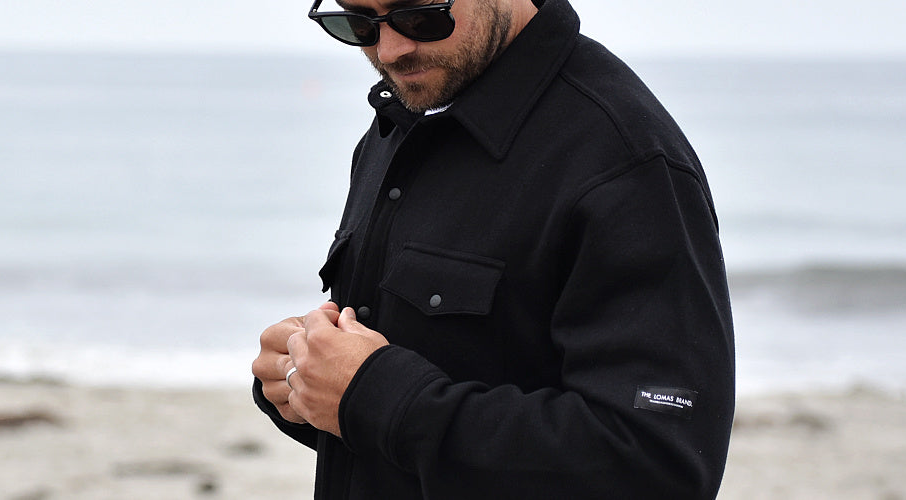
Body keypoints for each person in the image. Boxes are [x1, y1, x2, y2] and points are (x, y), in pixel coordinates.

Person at [250, 0, 735, 498]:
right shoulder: (405, 119)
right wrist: (308, 382)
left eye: (420, 14)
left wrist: (376, 397)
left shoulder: (625, 161)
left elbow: (657, 467)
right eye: (358, 22)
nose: (390, 49)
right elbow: (407, 403)